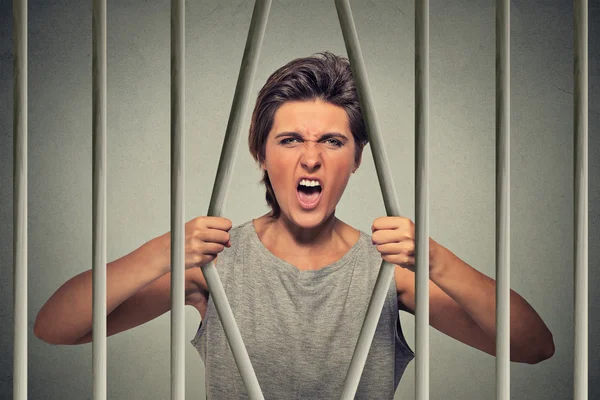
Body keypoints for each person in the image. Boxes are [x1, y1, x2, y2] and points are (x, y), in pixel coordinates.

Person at [34, 52, 554, 399]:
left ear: (356, 159)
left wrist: (437, 261)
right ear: (260, 153)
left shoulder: (387, 270)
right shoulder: (217, 265)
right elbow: (56, 328)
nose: (311, 159)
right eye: (289, 141)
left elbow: (533, 346)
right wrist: (160, 252)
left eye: (332, 141)